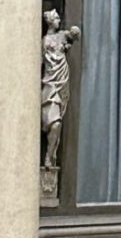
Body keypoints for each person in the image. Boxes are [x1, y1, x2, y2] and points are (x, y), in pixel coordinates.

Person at [41, 9, 81, 168]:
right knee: (53, 124)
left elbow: (74, 36)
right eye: (56, 18)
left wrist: (75, 32)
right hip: (49, 83)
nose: (59, 20)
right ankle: (49, 155)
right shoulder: (45, 41)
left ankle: (49, 156)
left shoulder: (62, 35)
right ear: (50, 21)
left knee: (57, 123)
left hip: (62, 81)